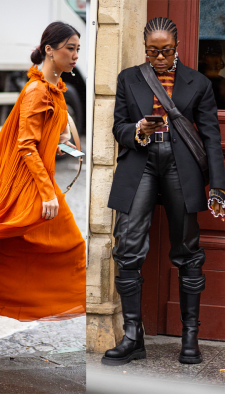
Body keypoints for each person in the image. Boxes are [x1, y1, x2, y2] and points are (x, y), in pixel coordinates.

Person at [0, 21, 87, 354]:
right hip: (27, 183)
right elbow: (25, 145)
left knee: (3, 243)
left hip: (35, 179)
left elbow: (41, 138)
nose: (76, 55)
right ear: (49, 49)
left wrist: (61, 138)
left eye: (78, 48)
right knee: (7, 242)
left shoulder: (54, 86)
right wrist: (46, 192)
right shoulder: (37, 90)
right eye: (70, 48)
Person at [102, 17, 225, 366]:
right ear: (145, 48)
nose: (159, 58)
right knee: (127, 247)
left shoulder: (198, 83)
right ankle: (132, 337)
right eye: (152, 51)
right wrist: (137, 129)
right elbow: (118, 126)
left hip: (180, 166)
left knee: (187, 249)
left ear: (177, 48)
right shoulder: (129, 78)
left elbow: (211, 138)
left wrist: (218, 185)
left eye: (165, 51)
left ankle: (190, 337)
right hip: (139, 161)